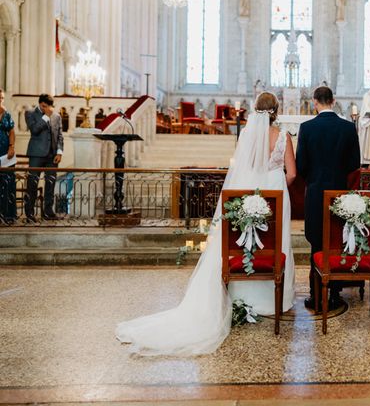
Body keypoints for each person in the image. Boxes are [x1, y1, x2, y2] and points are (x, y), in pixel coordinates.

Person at [115, 92, 297, 356]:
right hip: (276, 193)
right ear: (276, 111)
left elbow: (242, 168)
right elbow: (292, 174)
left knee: (243, 242)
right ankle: (273, 300)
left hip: (247, 193)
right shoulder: (283, 137)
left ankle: (241, 298)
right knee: (275, 242)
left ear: (255, 111)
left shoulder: (246, 136)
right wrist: (277, 184)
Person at [296, 85, 360, 310]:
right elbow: (354, 165)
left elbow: (300, 166)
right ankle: (334, 294)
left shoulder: (307, 128)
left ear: (315, 102)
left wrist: (314, 180)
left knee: (316, 243)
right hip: (340, 195)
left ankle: (316, 296)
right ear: (333, 101)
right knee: (336, 242)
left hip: (315, 194)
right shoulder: (348, 128)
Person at [25, 94, 64, 221]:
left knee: (50, 184)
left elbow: (60, 135)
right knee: (32, 184)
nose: (46, 109)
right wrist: (46, 116)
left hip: (52, 156)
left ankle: (48, 212)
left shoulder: (57, 116)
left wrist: (59, 152)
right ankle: (30, 214)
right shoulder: (30, 113)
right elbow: (34, 130)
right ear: (40, 103)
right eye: (43, 106)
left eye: (48, 107)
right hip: (36, 154)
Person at [0, 89, 17, 224]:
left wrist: (11, 147)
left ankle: (8, 215)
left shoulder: (7, 114)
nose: (1, 100)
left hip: (5, 151)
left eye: (2, 98)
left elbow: (11, 131)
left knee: (7, 182)